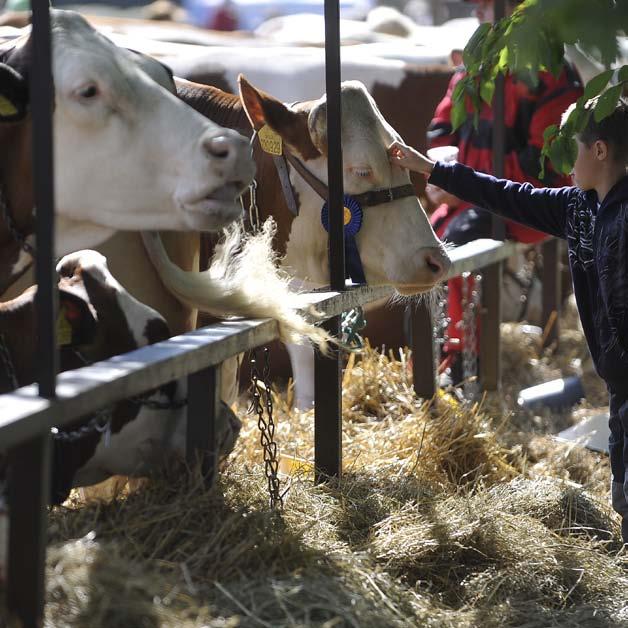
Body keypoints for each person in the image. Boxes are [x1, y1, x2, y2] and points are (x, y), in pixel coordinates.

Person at [389, 97, 628, 545]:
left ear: (599, 151)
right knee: (622, 491)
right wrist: (434, 170)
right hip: (620, 386)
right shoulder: (580, 208)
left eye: (573, 148)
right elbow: (509, 195)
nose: (565, 163)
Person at [426, 0, 583, 383]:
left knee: (457, 242)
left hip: (528, 204)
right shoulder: (473, 65)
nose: (477, 10)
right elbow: (441, 124)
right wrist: (437, 172)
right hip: (471, 195)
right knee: (420, 239)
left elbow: (542, 168)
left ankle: (462, 360)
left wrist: (459, 185)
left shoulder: (552, 73)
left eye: (485, 4)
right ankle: (430, 346)